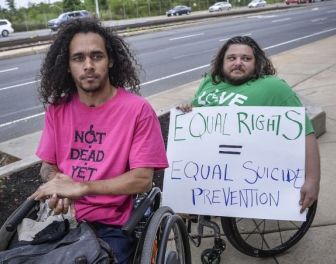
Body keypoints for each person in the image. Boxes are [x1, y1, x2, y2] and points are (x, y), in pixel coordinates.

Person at [30, 18, 168, 263]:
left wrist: (82, 187)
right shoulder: (57, 109)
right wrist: (59, 186)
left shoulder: (137, 110)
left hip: (112, 225)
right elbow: (47, 165)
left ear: (111, 60)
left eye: (96, 56)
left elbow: (142, 180)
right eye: (78, 58)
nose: (88, 65)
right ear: (68, 66)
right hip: (62, 218)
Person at [178, 35, 320, 214]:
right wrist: (187, 109)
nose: (238, 63)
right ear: (222, 62)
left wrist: (313, 180)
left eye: (246, 58)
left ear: (257, 63)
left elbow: (305, 133)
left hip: (247, 173)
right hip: (204, 170)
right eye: (232, 58)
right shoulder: (209, 81)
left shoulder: (274, 87)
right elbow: (196, 115)